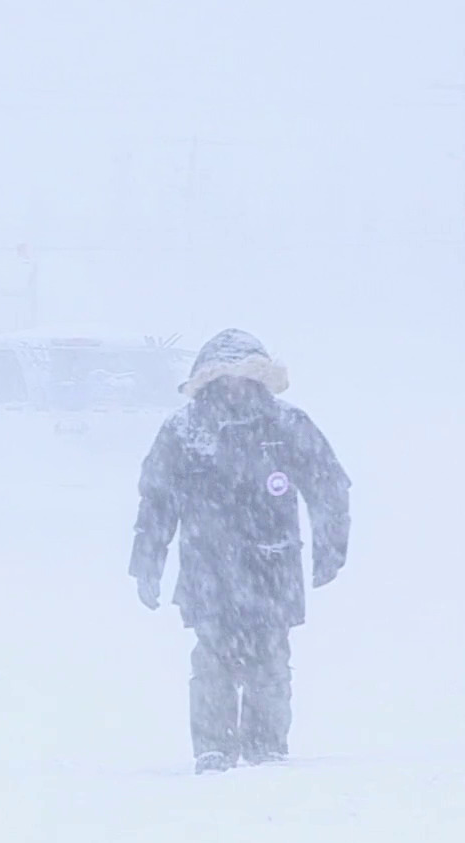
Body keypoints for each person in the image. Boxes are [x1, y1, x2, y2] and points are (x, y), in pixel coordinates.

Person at [129, 330, 351, 774]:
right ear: (206, 382)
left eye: (244, 378)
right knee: (212, 659)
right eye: (223, 379)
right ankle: (213, 749)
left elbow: (329, 486)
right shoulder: (183, 431)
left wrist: (331, 548)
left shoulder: (288, 425)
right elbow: (157, 501)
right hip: (206, 570)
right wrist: (147, 564)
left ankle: (266, 746)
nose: (234, 388)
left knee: (270, 658)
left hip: (272, 567)